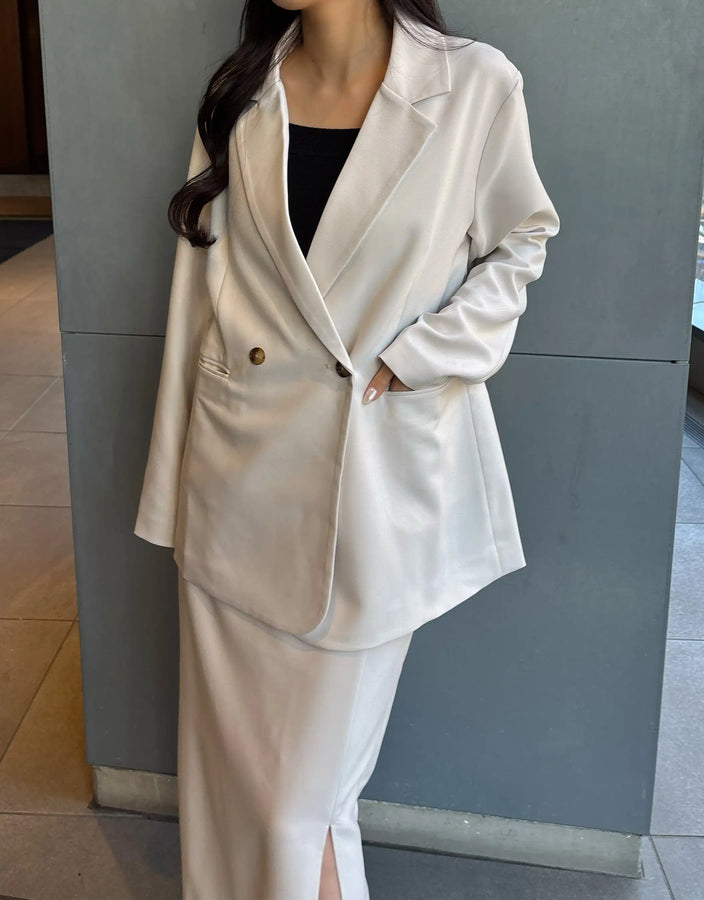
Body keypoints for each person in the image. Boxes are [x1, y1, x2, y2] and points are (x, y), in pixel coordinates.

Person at [134, 1, 561, 897]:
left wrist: (423, 354)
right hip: (234, 483)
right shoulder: (241, 92)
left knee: (298, 805)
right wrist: (170, 492)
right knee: (237, 790)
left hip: (367, 496)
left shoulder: (473, 84)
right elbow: (197, 298)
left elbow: (522, 239)